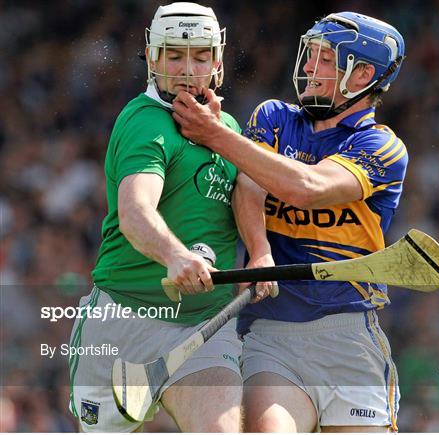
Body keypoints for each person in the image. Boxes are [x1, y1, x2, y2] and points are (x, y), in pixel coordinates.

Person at [172, 11, 407, 432]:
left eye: (325, 60)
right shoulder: (274, 117)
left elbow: (309, 187)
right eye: (309, 55)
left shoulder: (381, 146)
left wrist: (217, 136)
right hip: (271, 335)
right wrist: (260, 251)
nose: (309, 68)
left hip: (349, 337)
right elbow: (249, 185)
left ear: (363, 74)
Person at [68, 2, 272, 432]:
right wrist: (175, 256)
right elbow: (136, 212)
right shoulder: (145, 123)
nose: (186, 69)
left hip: (203, 325)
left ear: (217, 60)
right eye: (174, 55)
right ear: (152, 56)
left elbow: (248, 189)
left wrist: (259, 253)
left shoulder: (228, 129)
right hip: (123, 322)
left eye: (200, 56)